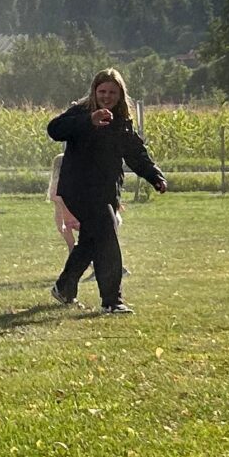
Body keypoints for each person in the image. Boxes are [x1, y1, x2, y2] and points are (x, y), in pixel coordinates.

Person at [46, 70, 166, 313]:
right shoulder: (81, 112)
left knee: (91, 241)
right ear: (94, 91)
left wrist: (155, 176)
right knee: (107, 238)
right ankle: (112, 301)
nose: (107, 96)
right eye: (102, 91)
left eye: (112, 92)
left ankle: (64, 287)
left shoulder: (121, 121)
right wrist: (88, 121)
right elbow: (54, 129)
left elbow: (135, 153)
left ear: (120, 94)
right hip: (78, 190)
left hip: (105, 192)